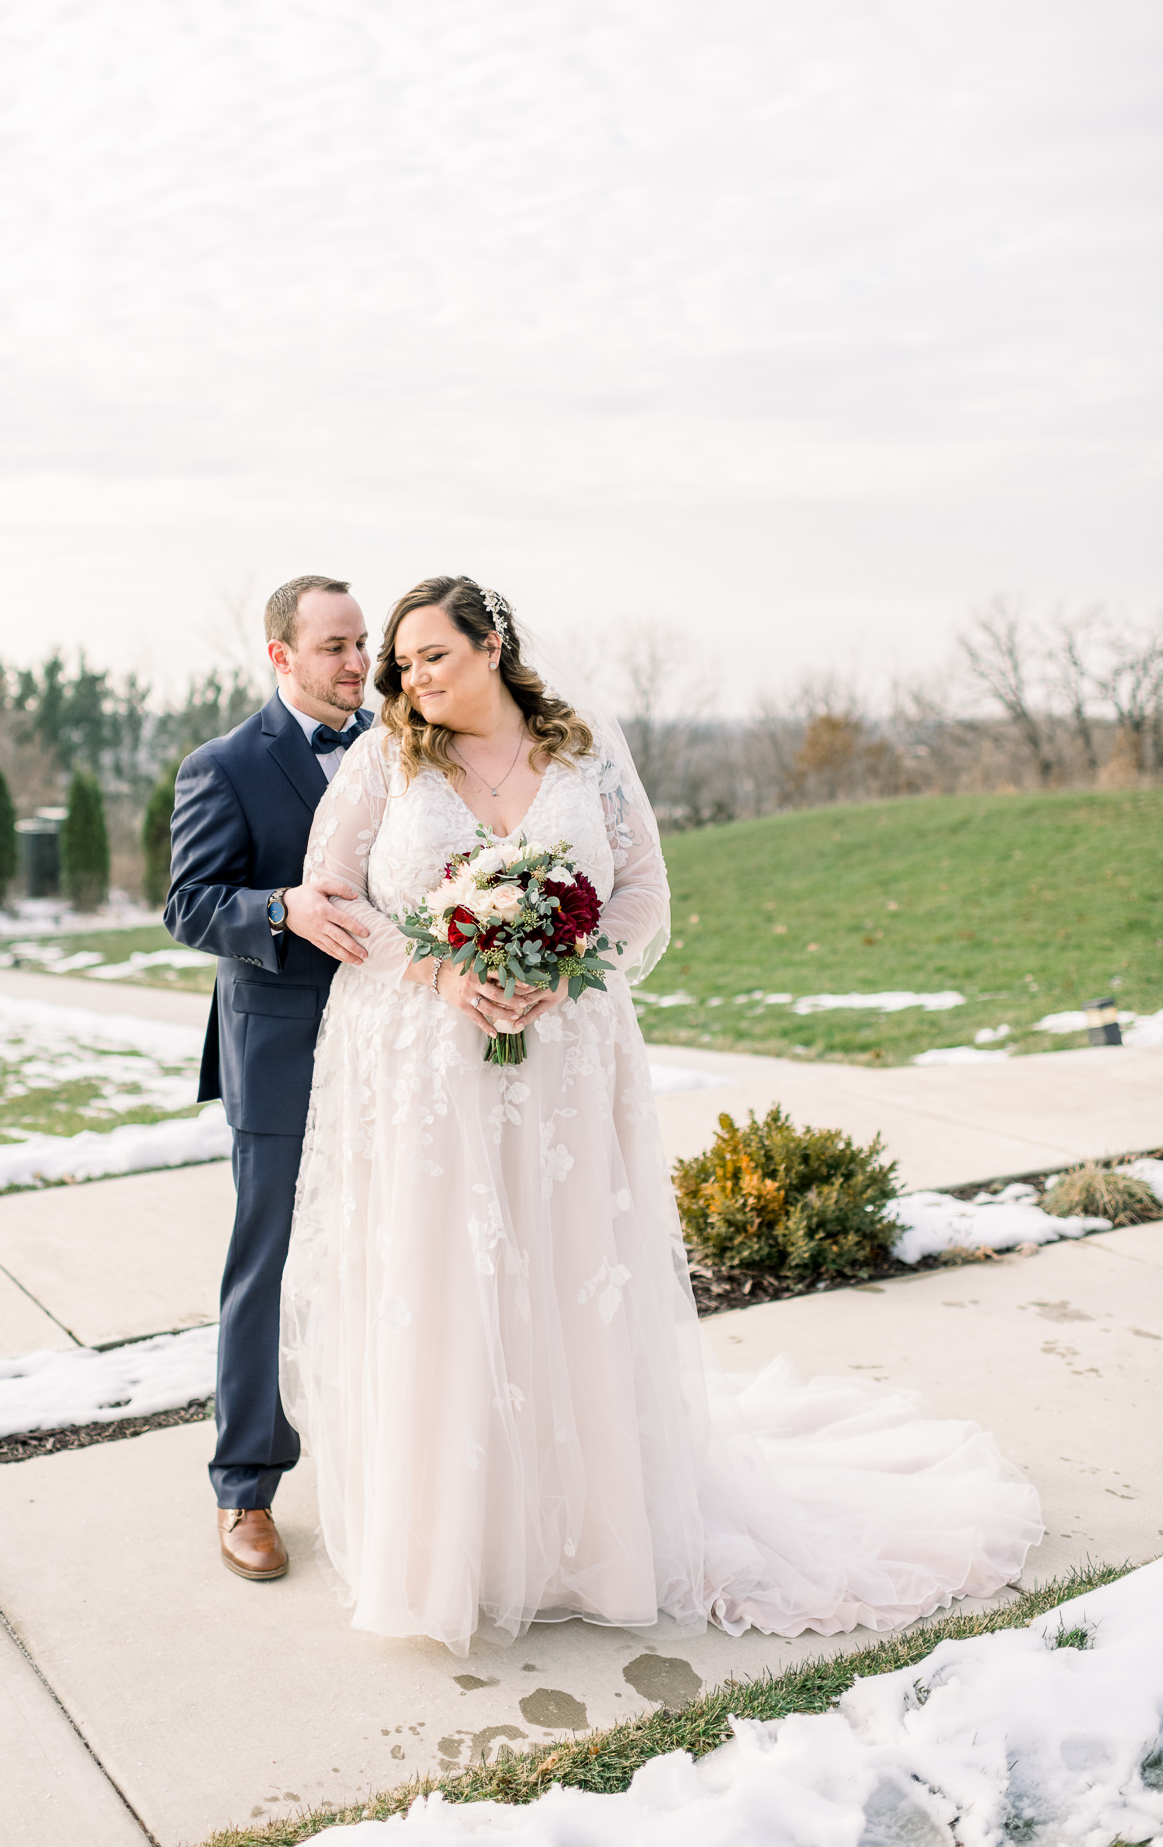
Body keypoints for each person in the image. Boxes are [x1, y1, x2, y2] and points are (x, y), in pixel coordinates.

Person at [280, 575, 1042, 1655]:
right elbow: (332, 897)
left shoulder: (586, 757)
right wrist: (445, 972)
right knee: (453, 1283)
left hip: (569, 1064)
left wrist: (563, 963)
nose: (412, 680)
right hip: (428, 1068)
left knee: (565, 1271)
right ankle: (460, 1549)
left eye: (432, 656)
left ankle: (590, 1540)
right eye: (401, 665)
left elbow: (643, 896)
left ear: (493, 645)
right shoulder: (383, 761)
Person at [164, 575, 375, 1582]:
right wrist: (282, 908)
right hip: (279, 1047)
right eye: (333, 645)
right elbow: (190, 905)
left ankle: (398, 1476)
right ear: (280, 656)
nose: (355, 662)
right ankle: (244, 1487)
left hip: (398, 1045)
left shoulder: (403, 751)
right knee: (271, 1264)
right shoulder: (222, 767)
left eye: (362, 643)